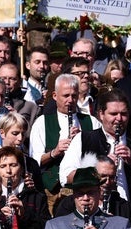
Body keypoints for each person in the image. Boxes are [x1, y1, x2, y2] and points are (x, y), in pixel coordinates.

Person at [59, 89, 131, 203]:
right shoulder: (83, 139)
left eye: (124, 114)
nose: (119, 119)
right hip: (95, 210)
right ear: (101, 114)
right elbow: (65, 177)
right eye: (113, 114)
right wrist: (97, 169)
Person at [29, 73, 102, 214]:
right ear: (55, 96)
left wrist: (81, 142)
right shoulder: (42, 122)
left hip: (84, 190)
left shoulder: (91, 122)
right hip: (52, 191)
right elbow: (34, 161)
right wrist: (54, 152)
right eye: (65, 96)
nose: (70, 100)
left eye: (74, 96)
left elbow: (100, 155)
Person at [0, 146, 50, 229]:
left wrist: (24, 214)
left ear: (22, 169)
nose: (8, 171)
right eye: (3, 166)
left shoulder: (36, 196)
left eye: (13, 165)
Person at [0, 111, 44, 191]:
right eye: (15, 133)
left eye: (23, 134)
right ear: (2, 133)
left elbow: (41, 199)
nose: (20, 138)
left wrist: (33, 190)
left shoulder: (31, 163)